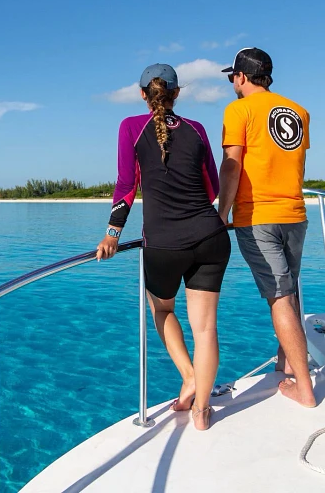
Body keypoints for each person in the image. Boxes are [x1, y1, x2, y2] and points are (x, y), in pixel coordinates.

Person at [97, 63, 231, 430]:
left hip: (165, 245)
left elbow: (127, 184)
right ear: (176, 94)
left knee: (163, 312)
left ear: (143, 94)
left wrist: (112, 234)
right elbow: (212, 190)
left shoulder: (130, 128)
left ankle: (188, 376)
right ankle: (202, 411)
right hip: (211, 237)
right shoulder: (197, 129)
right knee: (206, 329)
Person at [218, 47, 316, 408]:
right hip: (295, 213)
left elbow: (232, 165)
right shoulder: (298, 111)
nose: (232, 82)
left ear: (241, 77)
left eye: (233, 76)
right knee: (289, 291)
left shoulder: (238, 109)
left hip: (258, 215)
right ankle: (286, 362)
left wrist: (221, 212)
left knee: (279, 297)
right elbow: (298, 165)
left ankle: (304, 389)